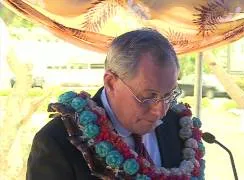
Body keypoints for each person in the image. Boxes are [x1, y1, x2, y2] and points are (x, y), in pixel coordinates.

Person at [27, 29, 205, 179]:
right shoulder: (57, 142)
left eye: (169, 95)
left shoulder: (178, 127)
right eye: (149, 96)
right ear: (111, 82)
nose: (160, 111)